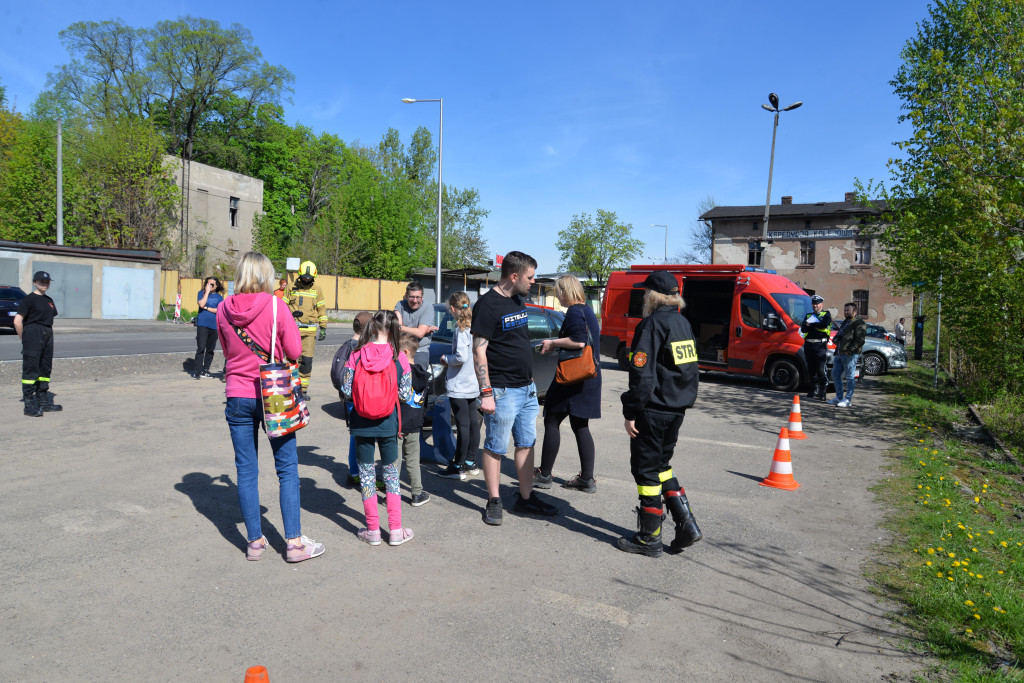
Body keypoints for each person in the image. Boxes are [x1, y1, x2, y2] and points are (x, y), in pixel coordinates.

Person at [216, 251, 325, 563]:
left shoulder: (223, 308)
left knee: (246, 470)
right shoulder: (277, 305)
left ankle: (254, 542)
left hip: (237, 393)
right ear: (265, 276)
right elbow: (293, 349)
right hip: (273, 394)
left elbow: (225, 350)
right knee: (287, 467)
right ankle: (293, 544)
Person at [618, 271, 702, 558]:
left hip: (652, 411)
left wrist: (630, 411)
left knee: (645, 472)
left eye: (645, 292)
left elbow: (641, 376)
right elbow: (690, 371)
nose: (643, 297)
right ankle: (686, 524)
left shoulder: (650, 325)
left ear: (652, 295)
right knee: (662, 464)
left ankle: (649, 538)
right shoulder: (683, 323)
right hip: (676, 409)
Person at [472, 250, 558, 525]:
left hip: (526, 388)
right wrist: (486, 393)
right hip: (501, 390)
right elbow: (479, 351)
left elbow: (518, 341)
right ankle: (494, 501)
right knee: (496, 446)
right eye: (530, 277)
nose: (533, 282)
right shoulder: (487, 306)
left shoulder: (520, 298)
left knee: (526, 442)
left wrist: (529, 377)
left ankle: (525, 498)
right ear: (514, 276)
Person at [341, 310, 415, 546]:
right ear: (393, 330)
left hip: (361, 423)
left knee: (366, 476)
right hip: (388, 424)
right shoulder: (399, 358)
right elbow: (405, 395)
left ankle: (372, 529)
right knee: (391, 476)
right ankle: (395, 530)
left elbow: (345, 390)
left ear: (371, 328)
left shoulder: (356, 355)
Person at [536, 275, 602, 492]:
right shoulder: (587, 311)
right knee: (580, 425)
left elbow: (579, 341)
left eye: (558, 291)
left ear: (566, 291)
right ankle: (587, 479)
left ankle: (544, 475)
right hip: (588, 377)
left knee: (552, 418)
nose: (557, 295)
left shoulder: (575, 311)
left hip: (573, 378)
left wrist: (552, 342)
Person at [438, 291, 481, 480]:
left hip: (460, 384)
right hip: (472, 382)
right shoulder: (475, 326)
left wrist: (446, 358)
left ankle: (458, 466)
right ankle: (471, 462)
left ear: (453, 309)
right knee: (473, 424)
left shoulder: (461, 329)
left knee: (463, 425)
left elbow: (461, 357)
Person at [331, 311, 373, 489]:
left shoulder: (346, 345)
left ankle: (354, 471)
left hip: (348, 398)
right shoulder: (360, 348)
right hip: (358, 398)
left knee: (354, 435)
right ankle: (358, 473)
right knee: (360, 436)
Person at [14, 271, 62, 417]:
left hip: (47, 335)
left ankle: (43, 402)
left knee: (45, 369)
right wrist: (25, 339)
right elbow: (17, 320)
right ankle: (29, 405)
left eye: (47, 282)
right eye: (41, 281)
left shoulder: (49, 300)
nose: (44, 284)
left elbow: (49, 321)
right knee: (31, 369)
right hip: (33, 334)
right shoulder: (29, 299)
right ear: (35, 282)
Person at [283, 261, 327, 398]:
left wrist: (323, 327)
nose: (307, 279)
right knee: (290, 359)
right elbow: (283, 307)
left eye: (309, 277)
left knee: (306, 362)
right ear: (300, 275)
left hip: (309, 332)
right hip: (292, 330)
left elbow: (321, 309)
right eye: (304, 276)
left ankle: (302, 390)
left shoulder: (317, 290)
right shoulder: (290, 287)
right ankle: (288, 387)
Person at [398, 334, 431, 507]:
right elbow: (424, 403)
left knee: (394, 461)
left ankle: (391, 495)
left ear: (404, 352)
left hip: (397, 423)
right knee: (412, 461)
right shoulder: (424, 376)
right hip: (415, 423)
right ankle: (417, 494)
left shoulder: (400, 372)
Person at [829, 302, 867, 408]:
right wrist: (836, 340)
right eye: (845, 310)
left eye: (848, 310)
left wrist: (850, 350)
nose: (845, 312)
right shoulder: (846, 321)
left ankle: (848, 399)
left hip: (850, 354)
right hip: (839, 352)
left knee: (850, 377)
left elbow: (860, 340)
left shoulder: (859, 323)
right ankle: (839, 397)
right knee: (835, 374)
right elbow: (839, 335)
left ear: (854, 311)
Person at [394, 281, 438, 369]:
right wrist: (421, 330)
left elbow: (420, 333)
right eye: (412, 297)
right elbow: (396, 327)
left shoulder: (427, 307)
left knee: (417, 379)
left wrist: (401, 327)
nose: (415, 300)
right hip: (401, 350)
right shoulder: (400, 305)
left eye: (418, 297)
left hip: (419, 351)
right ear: (406, 296)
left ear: (422, 297)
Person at [800, 294, 833, 401]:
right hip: (809, 345)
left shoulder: (826, 314)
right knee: (811, 369)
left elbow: (823, 325)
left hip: (820, 346)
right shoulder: (809, 315)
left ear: (821, 304)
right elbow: (804, 328)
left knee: (820, 369)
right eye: (813, 304)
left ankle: (822, 392)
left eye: (817, 304)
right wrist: (811, 324)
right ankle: (814, 389)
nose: (815, 306)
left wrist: (811, 324)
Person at [193, 276, 224, 379]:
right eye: (208, 284)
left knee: (210, 349)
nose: (210, 286)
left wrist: (207, 308)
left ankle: (205, 369)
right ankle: (197, 371)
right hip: (203, 324)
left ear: (217, 285)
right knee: (201, 347)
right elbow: (201, 304)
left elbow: (219, 310)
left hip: (214, 325)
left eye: (212, 284)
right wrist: (206, 292)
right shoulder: (201, 293)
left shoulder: (219, 298)